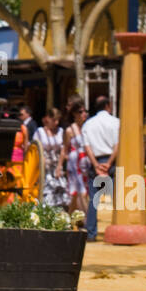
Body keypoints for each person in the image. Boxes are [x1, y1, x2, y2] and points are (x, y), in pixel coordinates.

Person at [82, 95, 120, 242]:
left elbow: (87, 147)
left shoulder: (88, 124)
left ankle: (91, 234)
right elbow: (118, 145)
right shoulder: (116, 122)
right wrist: (109, 163)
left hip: (95, 163)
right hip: (112, 161)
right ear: (108, 106)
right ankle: (116, 231)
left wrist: (96, 165)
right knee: (117, 198)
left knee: (93, 200)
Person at [63, 96, 90, 228]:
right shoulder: (70, 130)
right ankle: (87, 221)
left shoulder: (87, 127)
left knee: (75, 195)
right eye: (80, 112)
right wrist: (59, 167)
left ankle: (68, 219)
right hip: (74, 165)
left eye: (85, 111)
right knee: (82, 192)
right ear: (74, 114)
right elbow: (65, 149)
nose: (84, 114)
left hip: (85, 163)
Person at [34, 107, 68, 209]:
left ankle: (59, 211)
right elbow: (34, 148)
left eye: (58, 120)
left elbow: (63, 149)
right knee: (46, 188)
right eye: (54, 120)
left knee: (59, 187)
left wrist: (59, 166)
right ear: (48, 118)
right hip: (44, 165)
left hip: (57, 164)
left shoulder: (61, 131)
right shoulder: (40, 132)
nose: (56, 123)